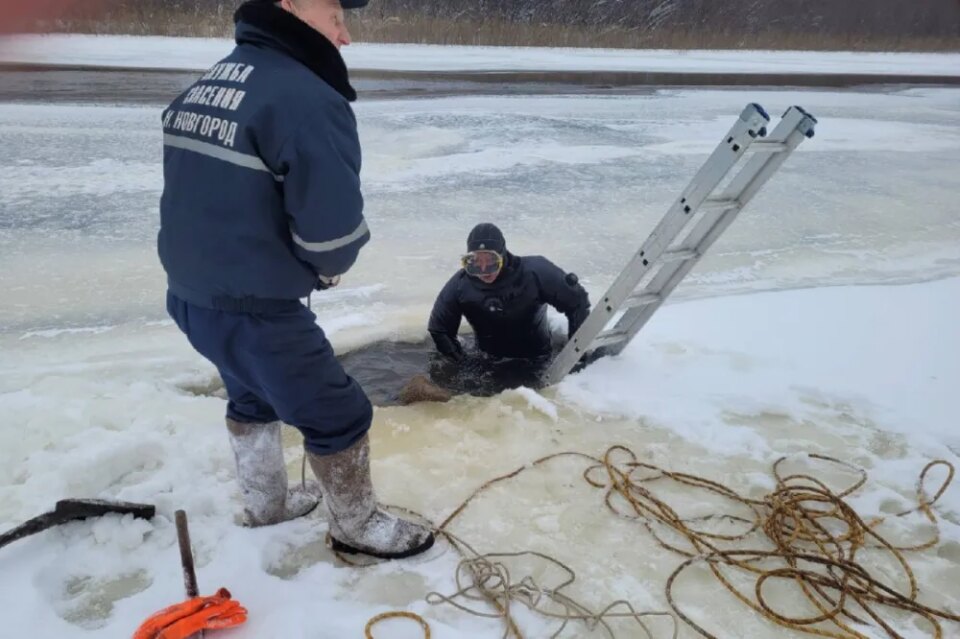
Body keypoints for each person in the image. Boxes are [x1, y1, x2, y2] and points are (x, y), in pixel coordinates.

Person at [158, 0, 434, 560]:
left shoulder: (207, 85)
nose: (346, 35)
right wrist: (330, 269)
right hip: (255, 305)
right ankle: (357, 526)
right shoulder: (307, 100)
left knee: (251, 393)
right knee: (340, 413)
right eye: (336, 14)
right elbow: (331, 236)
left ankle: (267, 505)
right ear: (290, 5)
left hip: (190, 296)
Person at [428, 223, 591, 369]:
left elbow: (577, 301)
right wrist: (462, 363)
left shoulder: (535, 272)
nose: (484, 270)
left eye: (491, 260)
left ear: (502, 255)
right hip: (488, 361)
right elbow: (439, 328)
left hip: (538, 359)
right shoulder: (460, 284)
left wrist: (577, 355)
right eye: (476, 261)